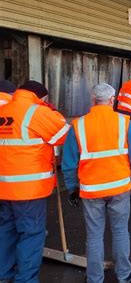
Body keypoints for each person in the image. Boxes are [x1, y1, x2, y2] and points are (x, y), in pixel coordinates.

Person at [62, 83, 131, 283]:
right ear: (112, 100)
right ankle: (124, 275)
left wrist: (72, 189)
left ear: (93, 100)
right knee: (120, 231)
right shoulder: (124, 122)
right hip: (119, 188)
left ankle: (94, 278)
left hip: (91, 191)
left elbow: (69, 163)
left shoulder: (78, 125)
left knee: (94, 236)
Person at [0, 80, 70, 282]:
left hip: (3, 188)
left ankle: (3, 276)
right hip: (28, 190)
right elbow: (64, 135)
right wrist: (50, 111)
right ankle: (25, 280)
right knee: (31, 234)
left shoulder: (4, 110)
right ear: (41, 98)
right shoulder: (36, 113)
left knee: (6, 231)